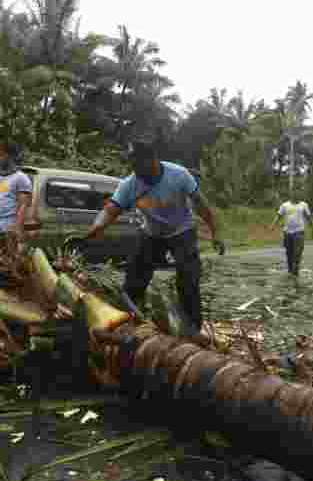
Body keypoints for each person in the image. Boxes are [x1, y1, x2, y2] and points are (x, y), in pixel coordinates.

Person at [82, 137, 225, 335]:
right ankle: (127, 321)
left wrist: (215, 233)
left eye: (139, 163)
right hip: (152, 233)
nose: (136, 169)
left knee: (188, 279)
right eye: (132, 164)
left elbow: (202, 205)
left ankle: (193, 329)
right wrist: (96, 227)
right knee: (134, 279)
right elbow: (111, 209)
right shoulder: (129, 184)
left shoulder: (179, 175)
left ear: (153, 159)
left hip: (182, 231)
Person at [273, 199, 313, 275]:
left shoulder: (304, 205)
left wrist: (312, 229)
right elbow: (279, 216)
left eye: (298, 190)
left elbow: (308, 217)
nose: (296, 193)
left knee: (297, 253)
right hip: (287, 233)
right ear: (291, 192)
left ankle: (295, 272)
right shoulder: (284, 205)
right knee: (289, 253)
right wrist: (273, 226)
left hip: (299, 232)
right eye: (294, 190)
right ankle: (290, 271)